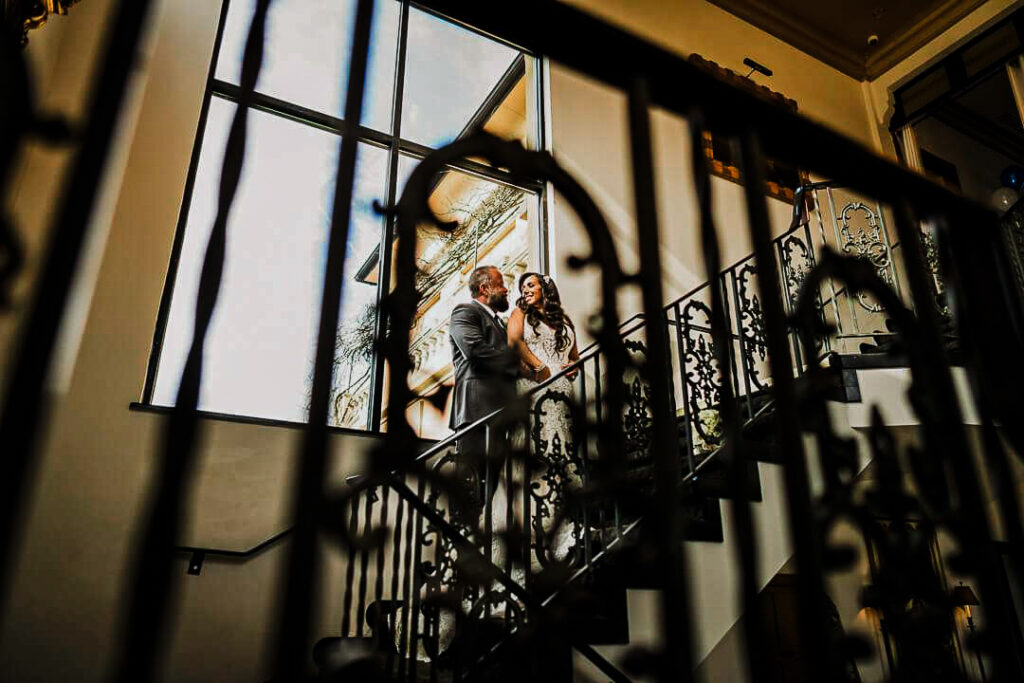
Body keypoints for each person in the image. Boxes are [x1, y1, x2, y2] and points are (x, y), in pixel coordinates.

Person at [506, 272, 582, 566]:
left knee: (562, 447)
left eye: (531, 284)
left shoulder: (563, 319)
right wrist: (540, 367)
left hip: (563, 388)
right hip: (536, 386)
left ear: (545, 289)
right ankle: (541, 526)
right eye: (522, 286)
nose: (525, 289)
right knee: (542, 450)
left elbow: (574, 354)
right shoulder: (519, 314)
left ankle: (567, 516)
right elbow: (514, 342)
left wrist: (573, 366)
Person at [447, 265, 519, 524]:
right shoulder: (465, 312)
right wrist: (517, 364)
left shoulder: (501, 322)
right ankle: (465, 539)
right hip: (476, 411)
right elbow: (475, 351)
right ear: (485, 288)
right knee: (472, 481)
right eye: (501, 284)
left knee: (494, 482)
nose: (506, 288)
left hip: (500, 411)